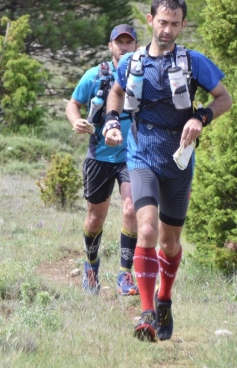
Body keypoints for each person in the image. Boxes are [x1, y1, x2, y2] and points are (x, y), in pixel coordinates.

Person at [103, 0, 233, 342]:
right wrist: (112, 122)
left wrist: (201, 117)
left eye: (175, 24)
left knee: (170, 241)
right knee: (145, 230)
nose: (168, 30)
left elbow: (225, 99)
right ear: (150, 20)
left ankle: (164, 299)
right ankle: (145, 313)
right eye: (162, 22)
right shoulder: (131, 63)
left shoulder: (193, 62)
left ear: (182, 25)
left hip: (178, 158)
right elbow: (116, 94)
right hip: (142, 153)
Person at [65, 24, 140, 296]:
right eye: (118, 42)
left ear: (135, 46)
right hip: (99, 154)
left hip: (132, 155)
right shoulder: (94, 75)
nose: (123, 46)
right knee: (95, 217)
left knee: (131, 209)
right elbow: (72, 104)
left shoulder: (142, 76)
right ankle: (91, 266)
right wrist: (76, 122)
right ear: (110, 46)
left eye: (128, 42)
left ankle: (125, 274)